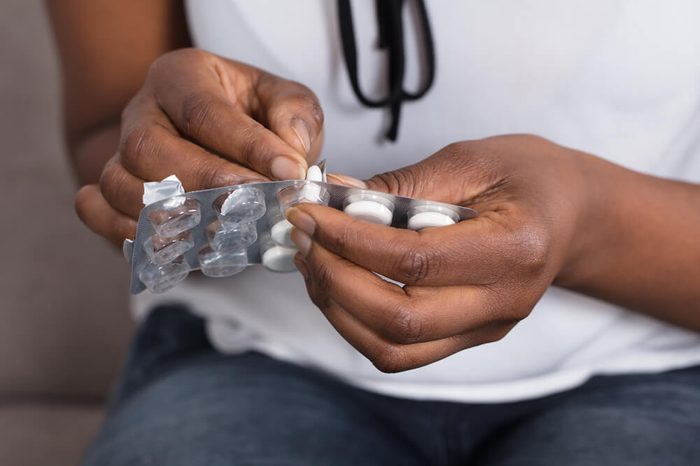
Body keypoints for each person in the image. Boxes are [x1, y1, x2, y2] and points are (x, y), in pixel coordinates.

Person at [47, 1, 700, 465]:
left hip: (645, 368)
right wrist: (169, 172)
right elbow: (106, 142)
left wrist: (587, 223)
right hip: (250, 355)